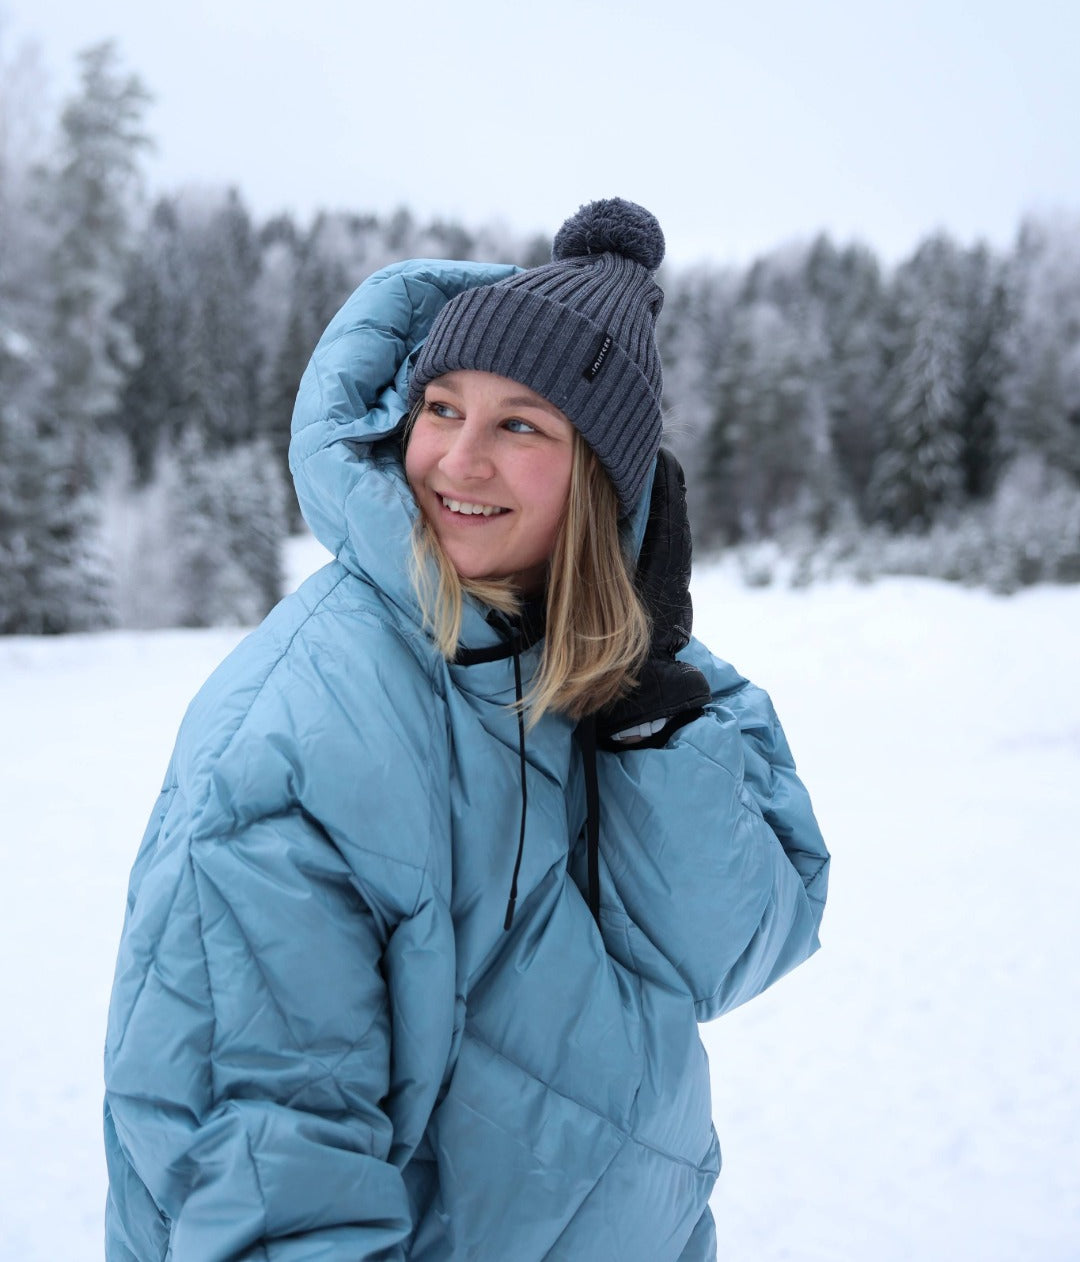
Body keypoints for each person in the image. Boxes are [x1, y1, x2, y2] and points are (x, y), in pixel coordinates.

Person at [103, 198, 829, 1261]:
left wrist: (645, 708)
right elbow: (269, 1175)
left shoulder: (611, 673)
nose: (457, 460)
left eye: (521, 423)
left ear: (605, 482)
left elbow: (737, 946)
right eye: (441, 407)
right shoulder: (306, 731)